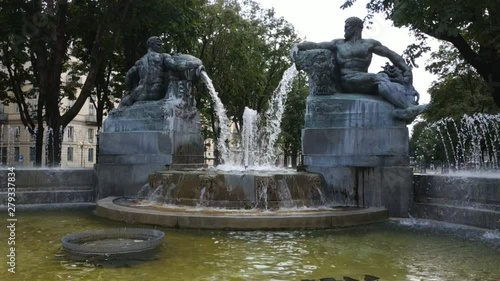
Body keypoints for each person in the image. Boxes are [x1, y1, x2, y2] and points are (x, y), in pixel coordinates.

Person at [291, 17, 427, 116]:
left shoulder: (369, 44)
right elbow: (316, 45)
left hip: (363, 79)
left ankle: (401, 112)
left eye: (347, 27)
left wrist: (406, 69)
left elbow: (392, 55)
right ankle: (408, 107)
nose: (344, 30)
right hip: (347, 80)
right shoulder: (338, 44)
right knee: (380, 78)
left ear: (356, 28)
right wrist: (298, 46)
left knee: (384, 78)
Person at [120, 36, 203, 107]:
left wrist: (128, 90)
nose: (161, 47)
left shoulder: (139, 62)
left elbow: (128, 75)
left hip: (139, 93)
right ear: (151, 45)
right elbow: (176, 66)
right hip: (156, 92)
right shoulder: (163, 57)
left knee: (124, 102)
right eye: (158, 45)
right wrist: (196, 62)